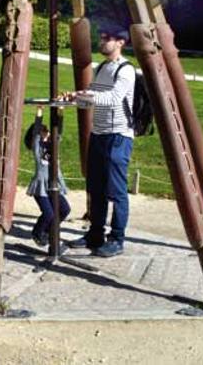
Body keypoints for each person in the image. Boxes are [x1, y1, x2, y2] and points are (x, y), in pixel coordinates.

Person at [61, 25, 135, 257]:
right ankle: (95, 234)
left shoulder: (126, 70)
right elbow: (92, 100)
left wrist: (84, 95)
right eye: (101, 38)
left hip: (118, 136)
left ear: (120, 42)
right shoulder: (102, 67)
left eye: (107, 39)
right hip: (98, 134)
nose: (102, 42)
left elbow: (113, 98)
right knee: (96, 188)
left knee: (117, 191)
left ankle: (117, 239)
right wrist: (72, 99)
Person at [24, 118, 71, 247]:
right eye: (44, 131)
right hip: (41, 188)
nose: (48, 132)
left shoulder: (53, 146)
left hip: (54, 185)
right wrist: (39, 113)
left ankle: (48, 231)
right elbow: (35, 135)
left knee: (65, 209)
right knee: (49, 214)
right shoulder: (37, 148)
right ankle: (37, 233)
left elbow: (58, 132)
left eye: (47, 131)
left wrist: (60, 113)